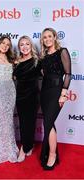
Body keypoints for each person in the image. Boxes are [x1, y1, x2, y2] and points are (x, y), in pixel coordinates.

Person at [40, 28, 71, 170]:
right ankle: (52, 153)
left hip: (57, 92)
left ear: (54, 37)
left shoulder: (62, 52)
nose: (47, 39)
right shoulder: (44, 56)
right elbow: (42, 74)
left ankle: (52, 155)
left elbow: (68, 74)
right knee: (49, 123)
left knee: (48, 122)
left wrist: (63, 94)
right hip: (44, 93)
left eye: (49, 36)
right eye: (44, 37)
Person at [0, 36, 19, 165]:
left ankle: (10, 149)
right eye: (3, 43)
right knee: (2, 121)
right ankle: (1, 151)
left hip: (11, 92)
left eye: (8, 44)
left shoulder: (11, 60)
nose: (5, 46)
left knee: (9, 120)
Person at [13, 35, 40, 162]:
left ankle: (26, 147)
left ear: (31, 46)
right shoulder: (16, 63)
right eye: (22, 45)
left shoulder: (37, 61)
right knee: (23, 123)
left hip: (33, 96)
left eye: (27, 44)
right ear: (19, 47)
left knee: (31, 122)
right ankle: (26, 147)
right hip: (20, 97)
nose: (24, 47)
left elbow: (48, 76)